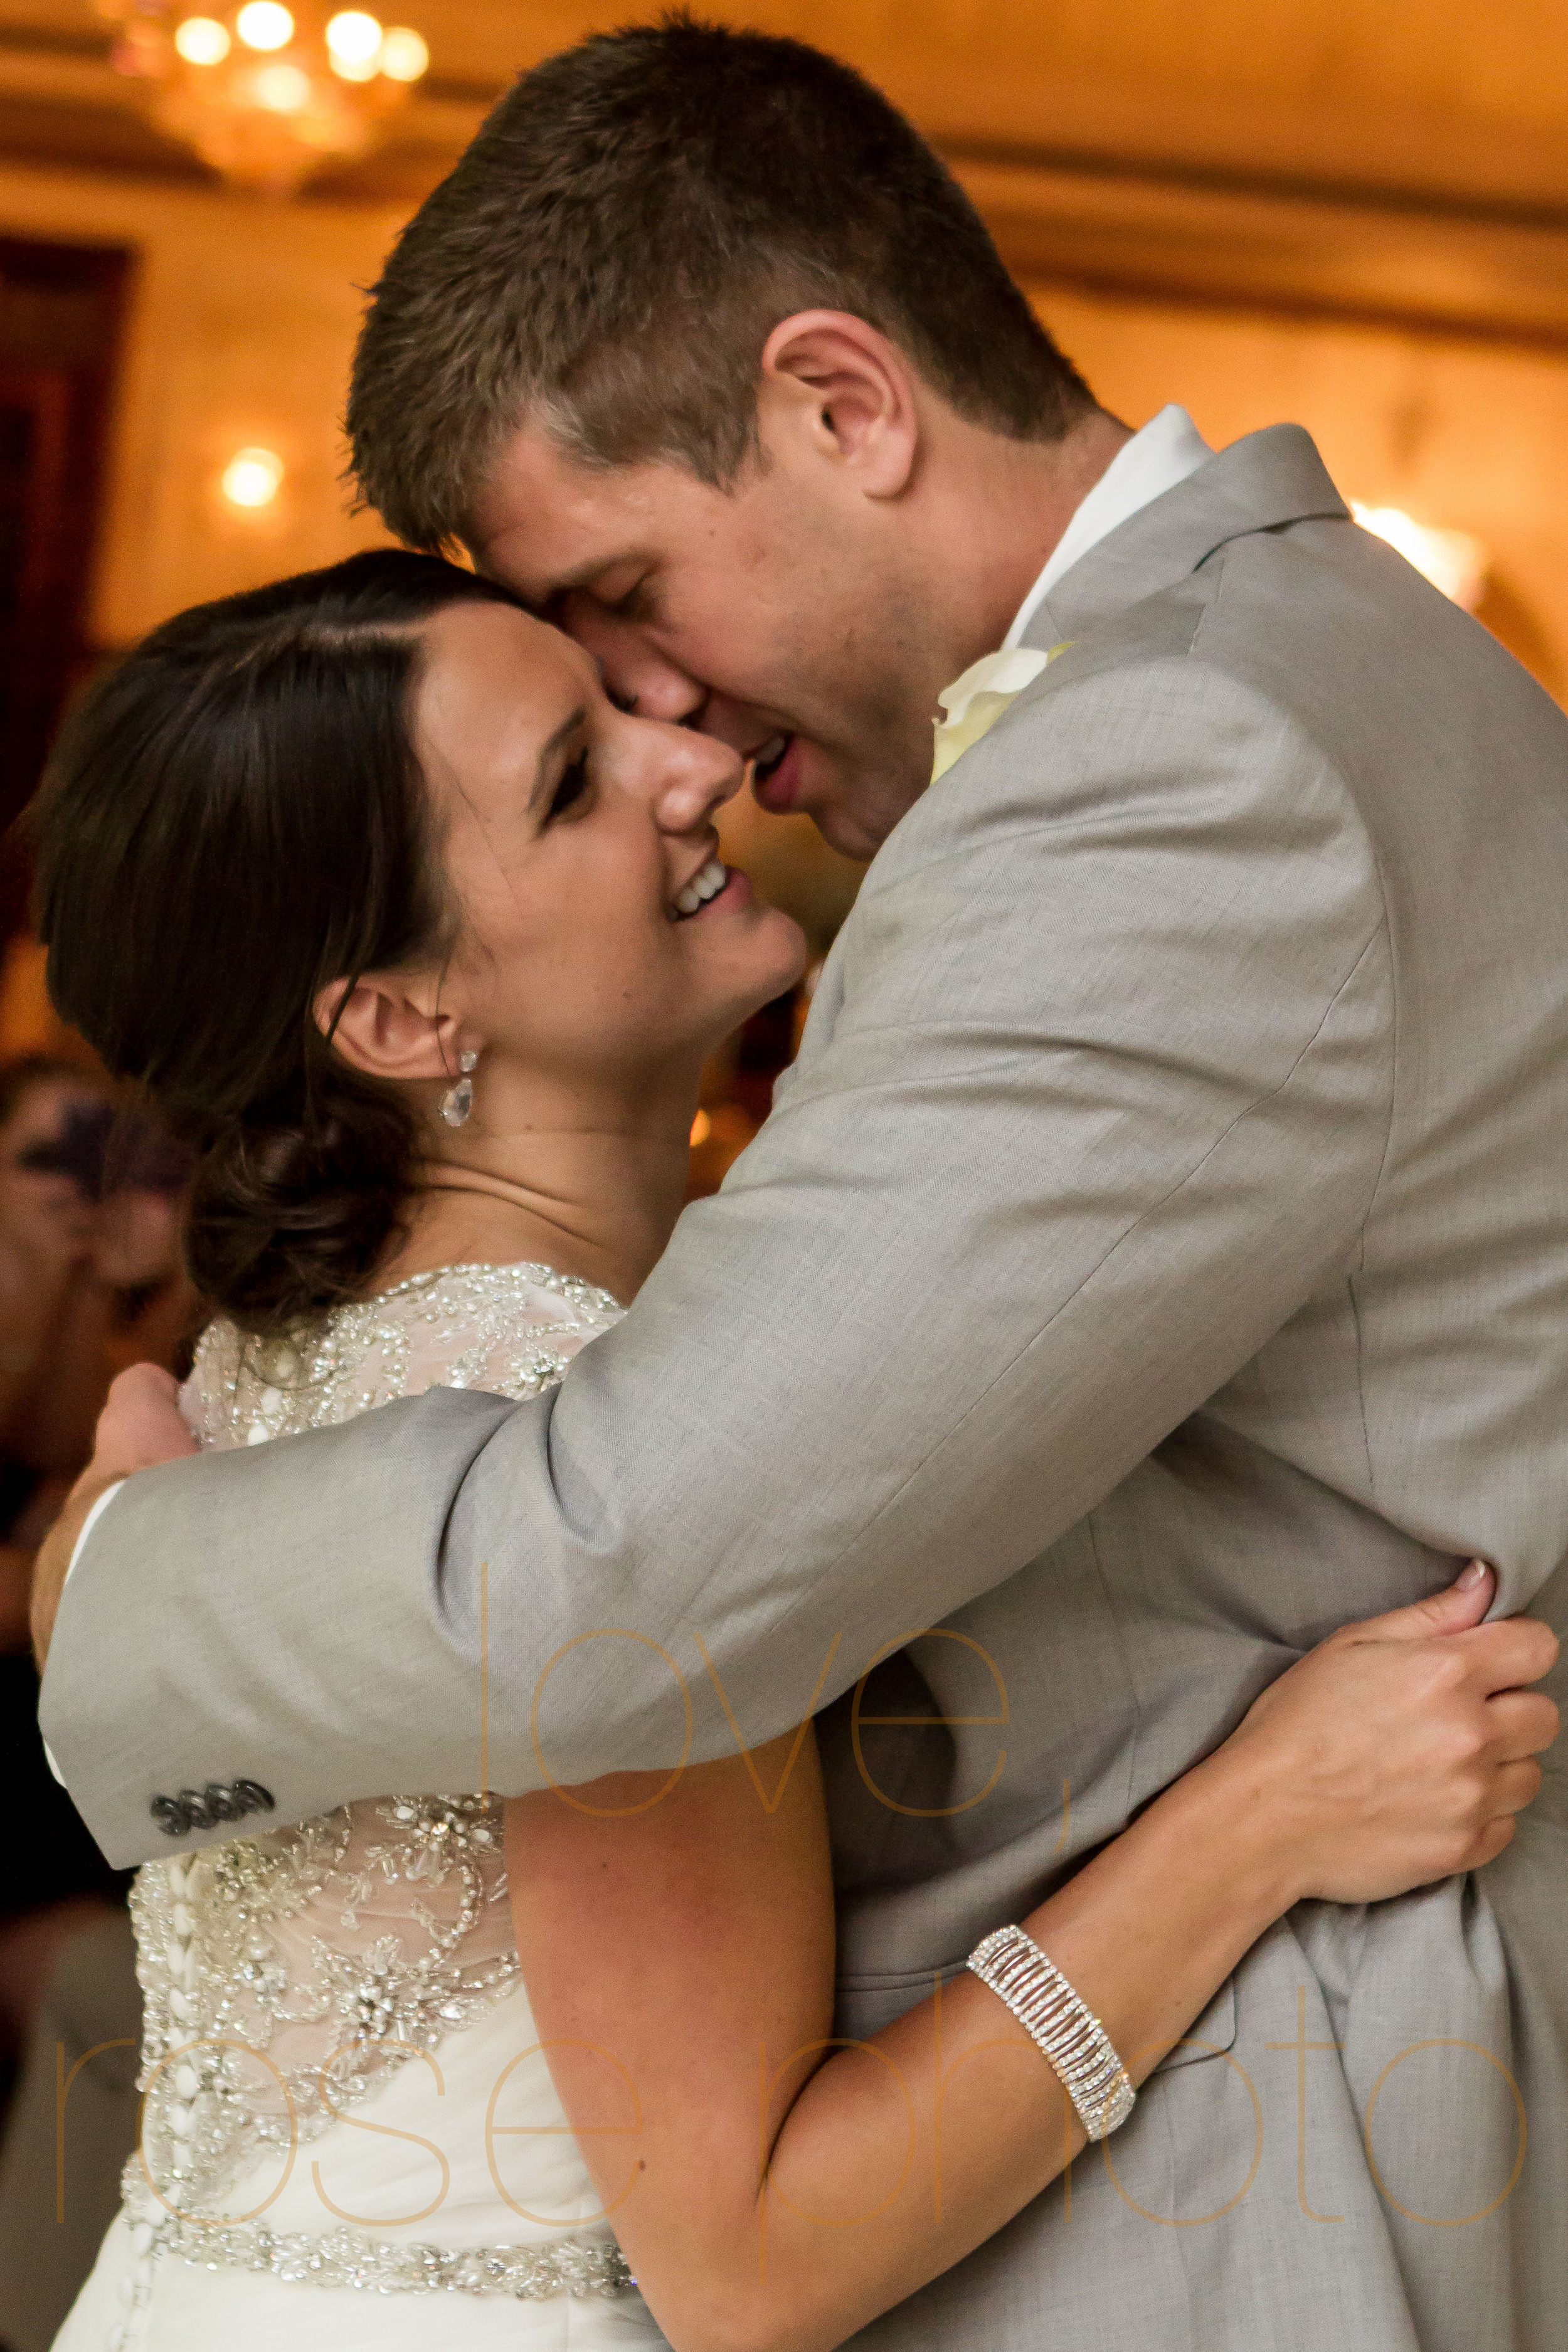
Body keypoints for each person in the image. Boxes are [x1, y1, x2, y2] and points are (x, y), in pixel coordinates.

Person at [32, 21, 1568, 2348]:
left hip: (1267, 2174)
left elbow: (636, 1556)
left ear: (844, 405)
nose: (681, 735)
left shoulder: (1177, 760)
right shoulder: (1274, 688)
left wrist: (121, 1580)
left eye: (627, 600)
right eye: (582, 726)